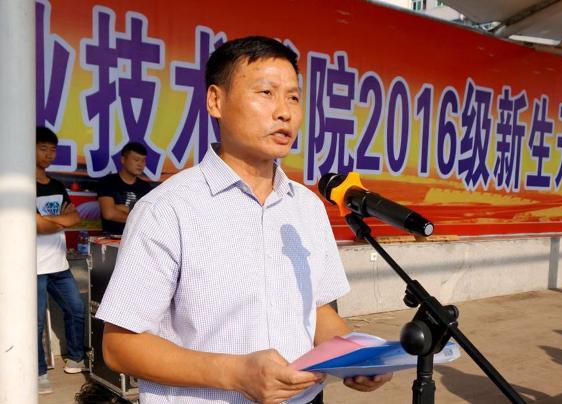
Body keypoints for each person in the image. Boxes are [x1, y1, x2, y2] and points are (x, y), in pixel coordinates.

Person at [96, 36, 392, 404]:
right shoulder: (167, 209)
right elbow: (120, 347)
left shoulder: (307, 207)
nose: (284, 112)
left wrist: (355, 358)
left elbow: (316, 310)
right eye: (266, 93)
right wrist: (236, 374)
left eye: (293, 97)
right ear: (215, 101)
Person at [35, 127, 87, 394]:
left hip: (58, 263)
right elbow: (38, 226)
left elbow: (75, 217)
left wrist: (50, 221)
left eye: (52, 150)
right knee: (35, 323)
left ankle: (76, 358)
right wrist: (59, 221)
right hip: (31, 267)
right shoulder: (23, 186)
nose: (48, 154)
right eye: (43, 148)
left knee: (76, 308)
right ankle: (38, 372)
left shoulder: (56, 185)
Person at [97, 142, 152, 235]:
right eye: (136, 160)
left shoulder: (146, 188)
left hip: (137, 239)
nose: (141, 164)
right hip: (112, 238)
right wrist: (137, 214)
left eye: (143, 161)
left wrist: (120, 207)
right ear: (123, 159)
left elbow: (149, 217)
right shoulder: (108, 182)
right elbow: (109, 214)